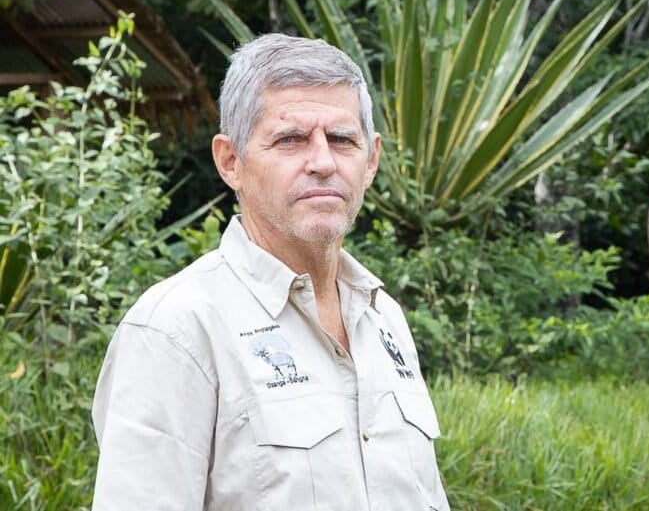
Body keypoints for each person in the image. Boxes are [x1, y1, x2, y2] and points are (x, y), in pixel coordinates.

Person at [91, 33, 450, 510]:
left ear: (372, 160)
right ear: (230, 161)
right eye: (291, 140)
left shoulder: (384, 319)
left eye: (342, 139)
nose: (322, 162)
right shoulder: (177, 329)